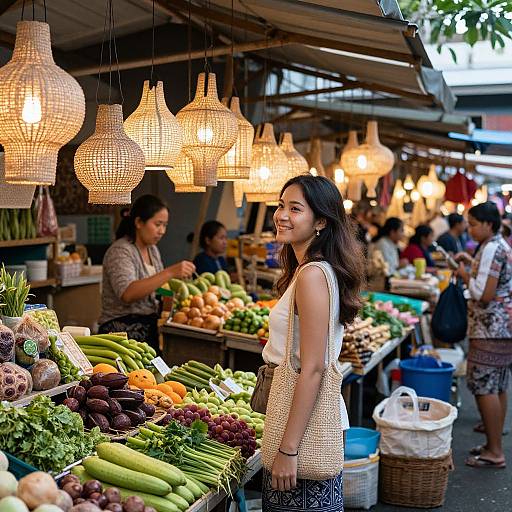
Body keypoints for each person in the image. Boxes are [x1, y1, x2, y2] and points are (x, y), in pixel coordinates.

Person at [261, 175, 364, 511]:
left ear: (320, 221)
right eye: (280, 206)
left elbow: (313, 368)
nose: (282, 215)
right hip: (301, 415)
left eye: (295, 208)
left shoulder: (312, 275)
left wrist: (288, 450)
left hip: (301, 425)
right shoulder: (309, 269)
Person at [455, 202, 512, 469]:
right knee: (498, 385)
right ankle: (493, 444)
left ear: (489, 224)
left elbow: (484, 293)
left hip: (490, 327)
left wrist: (465, 275)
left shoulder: (491, 248)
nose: (470, 229)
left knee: (483, 386)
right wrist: (472, 263)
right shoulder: (499, 245)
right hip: (502, 328)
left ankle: (495, 452)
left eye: (474, 224)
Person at [98, 195, 195, 351]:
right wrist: (170, 272)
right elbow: (127, 293)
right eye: (157, 224)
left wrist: (175, 296)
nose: (162, 231)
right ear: (138, 222)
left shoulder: (152, 250)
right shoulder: (120, 251)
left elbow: (155, 288)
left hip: (148, 329)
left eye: (165, 225)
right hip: (120, 334)